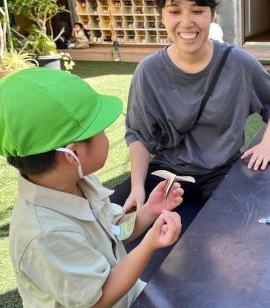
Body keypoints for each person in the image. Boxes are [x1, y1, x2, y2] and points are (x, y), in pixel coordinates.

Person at [111, 0, 270, 234]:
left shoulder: (237, 62)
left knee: (239, 240)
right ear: (162, 15)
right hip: (167, 174)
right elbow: (138, 135)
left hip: (221, 173)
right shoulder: (149, 71)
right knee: (118, 232)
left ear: (211, 15)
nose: (186, 22)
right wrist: (137, 187)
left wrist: (267, 144)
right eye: (174, 11)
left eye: (197, 10)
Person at [1, 68, 184, 307]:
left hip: (130, 296)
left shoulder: (78, 182)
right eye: (101, 131)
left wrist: (149, 210)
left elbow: (115, 230)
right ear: (73, 153)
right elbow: (97, 299)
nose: (105, 137)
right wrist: (150, 244)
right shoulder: (46, 234)